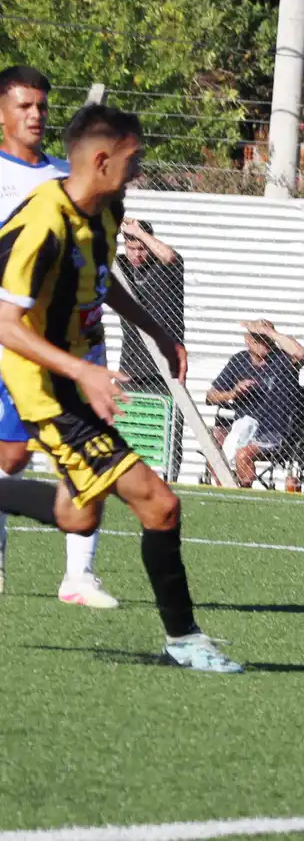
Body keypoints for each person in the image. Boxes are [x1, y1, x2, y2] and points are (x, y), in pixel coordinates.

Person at [0, 104, 241, 671]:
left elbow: (101, 283)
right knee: (160, 503)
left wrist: (157, 328)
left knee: (78, 516)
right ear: (102, 159)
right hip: (48, 389)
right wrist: (82, 371)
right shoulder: (45, 222)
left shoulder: (107, 212)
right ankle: (184, 641)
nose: (138, 170)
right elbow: (6, 324)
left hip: (77, 379)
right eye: (133, 159)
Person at [0, 65, 108, 606]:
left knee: (85, 452)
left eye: (41, 105)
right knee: (12, 457)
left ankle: (79, 574)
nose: (35, 115)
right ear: (2, 112)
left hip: (63, 342)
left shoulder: (65, 178)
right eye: (23, 106)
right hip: (8, 341)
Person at [117, 216, 185, 481]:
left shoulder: (167, 267)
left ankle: (170, 477)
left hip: (164, 365)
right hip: (132, 364)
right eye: (131, 248)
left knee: (168, 429)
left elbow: (169, 255)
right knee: (130, 426)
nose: (136, 254)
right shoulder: (120, 265)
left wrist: (140, 233)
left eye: (141, 248)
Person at [206, 320, 304, 489]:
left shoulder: (282, 360)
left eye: (267, 339)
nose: (265, 344)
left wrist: (270, 332)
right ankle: (223, 490)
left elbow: (300, 352)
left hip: (273, 430)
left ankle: (244, 492)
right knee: (214, 444)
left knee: (243, 454)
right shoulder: (238, 361)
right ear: (248, 340)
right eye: (259, 339)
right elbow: (210, 396)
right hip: (241, 426)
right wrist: (233, 393)